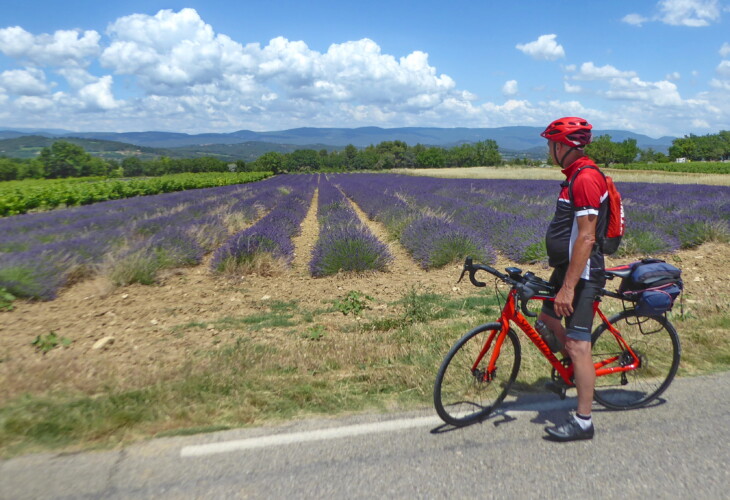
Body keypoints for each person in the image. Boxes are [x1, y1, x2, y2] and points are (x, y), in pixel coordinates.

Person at [539, 117, 608, 442]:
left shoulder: (586, 179)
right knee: (546, 319)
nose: (548, 151)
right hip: (567, 270)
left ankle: (583, 422)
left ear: (563, 146)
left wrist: (568, 287)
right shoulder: (573, 177)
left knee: (579, 346)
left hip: (583, 276)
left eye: (550, 145)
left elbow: (586, 238)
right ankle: (571, 372)